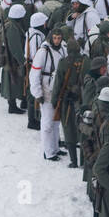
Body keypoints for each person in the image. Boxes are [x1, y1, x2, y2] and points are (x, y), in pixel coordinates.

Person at [30, 25, 68, 161]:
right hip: (46, 89)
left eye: (59, 38)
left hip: (59, 88)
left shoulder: (63, 49)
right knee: (47, 123)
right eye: (55, 38)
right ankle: (48, 151)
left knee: (56, 120)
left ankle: (55, 147)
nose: (57, 41)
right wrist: (37, 93)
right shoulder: (43, 52)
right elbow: (34, 74)